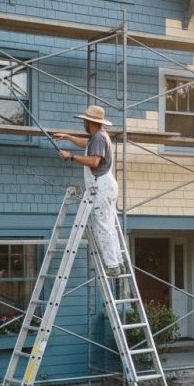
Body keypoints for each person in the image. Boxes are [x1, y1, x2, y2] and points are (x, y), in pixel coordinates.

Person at [53, 105, 125, 277]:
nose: (83, 122)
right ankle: (118, 262)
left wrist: (70, 156)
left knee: (103, 226)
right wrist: (68, 137)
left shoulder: (98, 138)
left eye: (85, 120)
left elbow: (94, 161)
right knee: (109, 226)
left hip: (100, 185)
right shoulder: (98, 137)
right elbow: (87, 144)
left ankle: (113, 266)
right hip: (106, 184)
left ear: (90, 122)